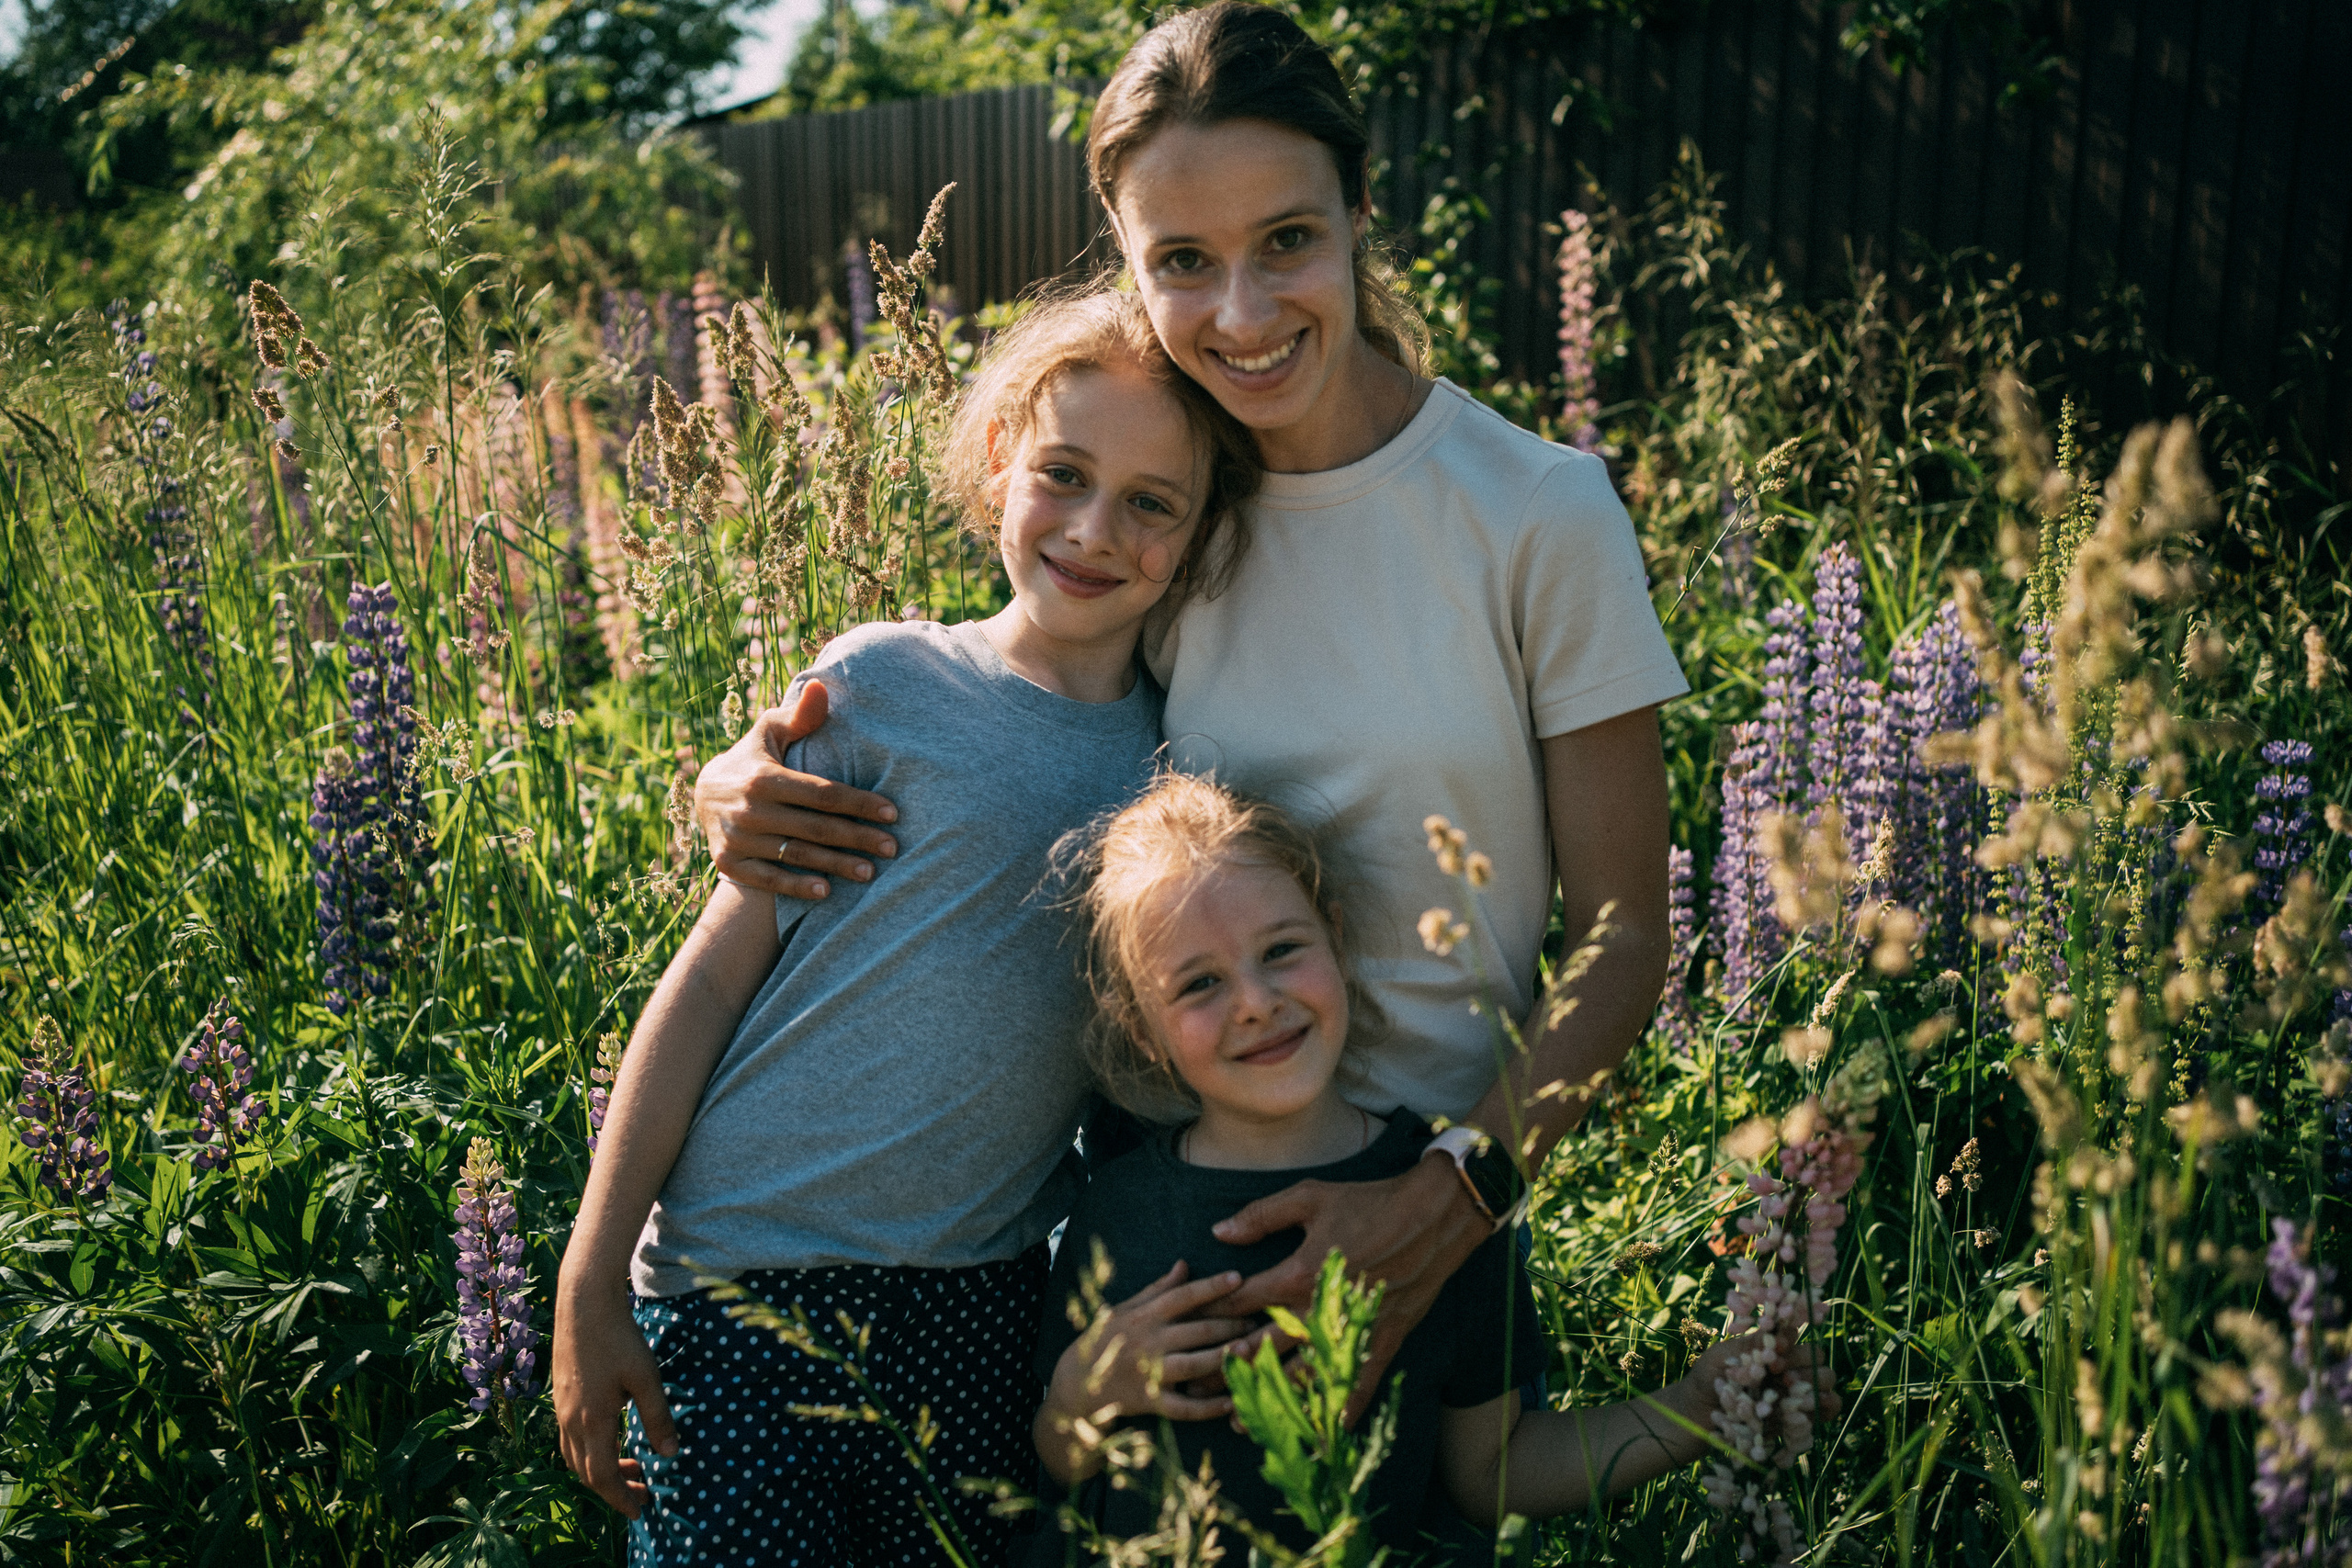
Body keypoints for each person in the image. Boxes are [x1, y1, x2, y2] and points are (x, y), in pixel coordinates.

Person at [692, 0, 1689, 1414]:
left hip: (1429, 1197)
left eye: (1287, 240)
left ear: (1360, 210)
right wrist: (741, 772)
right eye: (1183, 261)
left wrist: (1451, 1196)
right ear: (1128, 257)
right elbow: (1000, 693)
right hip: (1158, 1216)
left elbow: (1626, 934)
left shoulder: (1536, 510)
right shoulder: (1168, 497)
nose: (1243, 314)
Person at [551, 288, 1259, 1564]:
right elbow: (708, 982)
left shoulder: (1173, 765)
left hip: (981, 1304)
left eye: (1152, 502)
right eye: (1064, 474)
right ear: (999, 464)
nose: (1095, 529)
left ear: (1202, 531)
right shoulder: (881, 683)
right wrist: (589, 1277)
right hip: (738, 1279)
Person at [1028, 774, 1821, 1556]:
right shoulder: (1117, 1210)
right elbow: (1060, 1467)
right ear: (1141, 1029)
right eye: (1200, 983)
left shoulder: (1441, 1199)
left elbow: (1494, 1472)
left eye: (1281, 950)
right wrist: (1078, 1396)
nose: (1256, 1001)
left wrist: (1691, 1409)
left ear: (1336, 937)